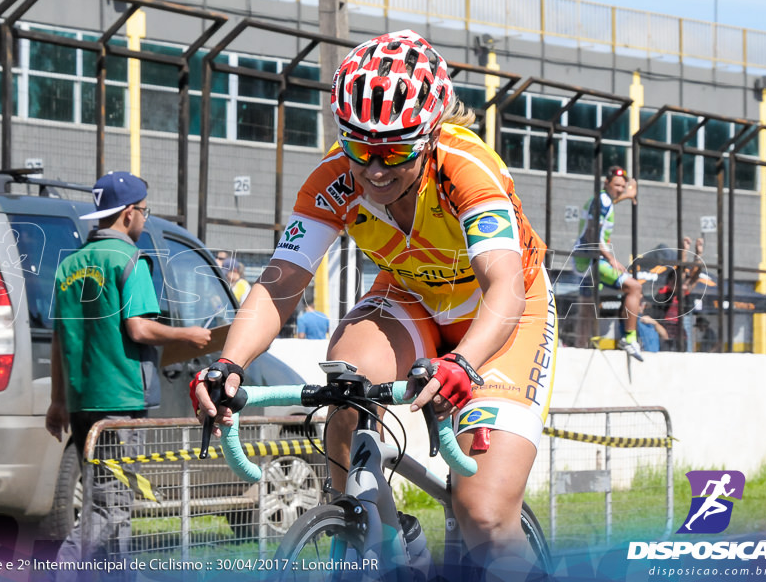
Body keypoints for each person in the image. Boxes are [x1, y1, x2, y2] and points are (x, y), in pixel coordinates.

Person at [192, 30, 556, 576]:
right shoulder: (336, 177)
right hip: (411, 296)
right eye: (361, 149)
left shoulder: (465, 168)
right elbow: (281, 281)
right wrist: (229, 365)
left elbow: (503, 285)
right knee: (348, 381)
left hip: (501, 311)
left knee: (483, 512)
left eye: (394, 152)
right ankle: (379, 540)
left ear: (431, 136)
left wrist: (464, 363)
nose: (375, 169)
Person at [45, 172, 211, 565]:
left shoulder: (69, 266)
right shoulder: (129, 259)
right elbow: (137, 327)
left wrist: (57, 401)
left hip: (83, 400)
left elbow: (58, 341)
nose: (144, 219)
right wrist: (187, 335)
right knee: (110, 506)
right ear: (128, 214)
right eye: (144, 211)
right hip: (120, 400)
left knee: (109, 501)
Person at [572, 165, 643, 360]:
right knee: (634, 287)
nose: (619, 189)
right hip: (593, 260)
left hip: (583, 260)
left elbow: (608, 204)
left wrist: (628, 195)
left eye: (622, 186)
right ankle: (629, 338)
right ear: (606, 183)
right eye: (617, 185)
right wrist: (611, 259)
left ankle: (579, 347)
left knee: (586, 310)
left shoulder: (603, 200)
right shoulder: (603, 200)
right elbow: (592, 233)